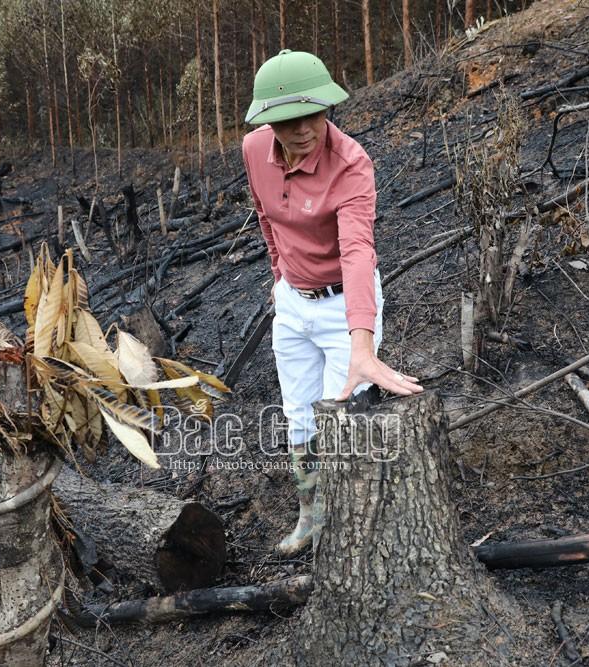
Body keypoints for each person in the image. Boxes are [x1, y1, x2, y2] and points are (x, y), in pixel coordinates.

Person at [242, 50, 424, 557]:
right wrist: (281, 274)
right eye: (287, 119)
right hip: (292, 305)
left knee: (342, 423)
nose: (303, 129)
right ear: (268, 121)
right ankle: (310, 517)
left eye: (314, 113)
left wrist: (361, 343)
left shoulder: (350, 165)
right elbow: (265, 217)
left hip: (342, 305)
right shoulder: (255, 149)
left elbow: (357, 252)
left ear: (328, 108)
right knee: (298, 419)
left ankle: (356, 531)